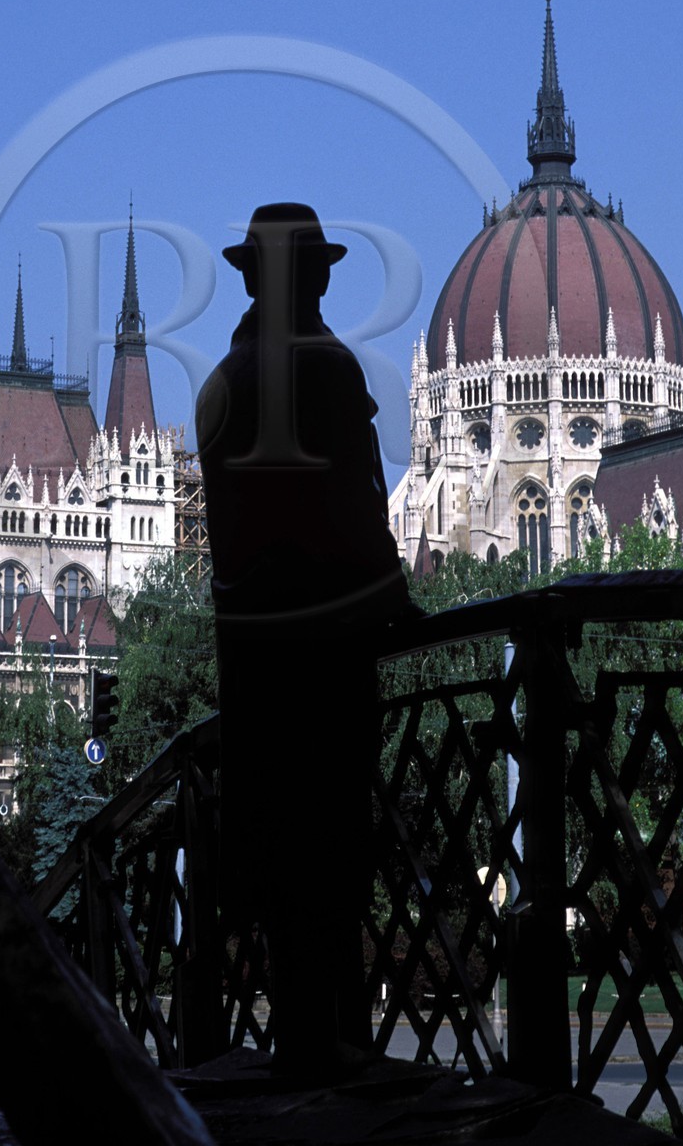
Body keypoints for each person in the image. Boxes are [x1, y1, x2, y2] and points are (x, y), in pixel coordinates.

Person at [196, 203, 414, 1078]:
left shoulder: (222, 381)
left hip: (253, 667)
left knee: (279, 863)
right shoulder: (322, 369)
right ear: (308, 276)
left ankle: (303, 1050)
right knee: (329, 855)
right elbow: (356, 506)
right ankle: (334, 1060)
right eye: (315, 269)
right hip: (322, 659)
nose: (321, 283)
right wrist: (394, 601)